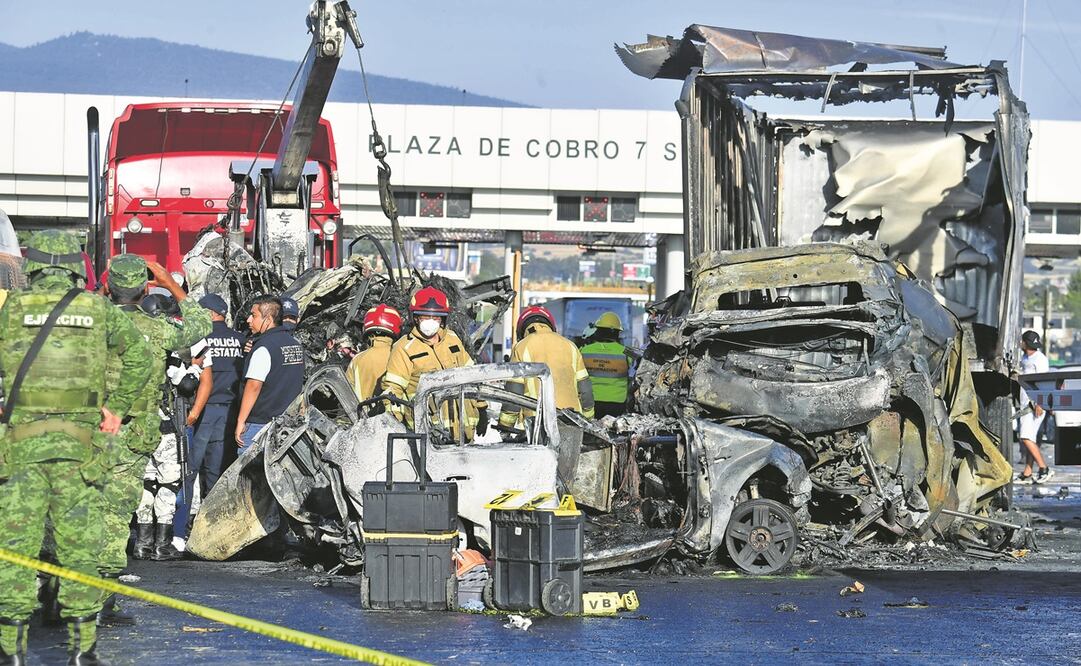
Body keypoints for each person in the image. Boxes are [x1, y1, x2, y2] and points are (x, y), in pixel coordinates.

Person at [0, 230, 151, 664]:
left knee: (16, 550)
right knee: (79, 550)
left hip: (20, 454)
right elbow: (140, 357)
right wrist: (117, 409)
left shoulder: (11, 311)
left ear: (32, 265)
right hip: (80, 452)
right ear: (75, 266)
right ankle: (83, 650)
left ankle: (11, 651)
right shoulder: (98, 311)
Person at [100, 254, 211, 620]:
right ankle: (101, 595)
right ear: (144, 287)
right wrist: (169, 281)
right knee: (117, 514)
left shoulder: (92, 323)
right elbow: (199, 324)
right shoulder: (157, 329)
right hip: (135, 434)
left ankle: (58, 587)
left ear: (107, 285)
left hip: (90, 427)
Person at [172, 293, 245, 548]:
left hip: (202, 410)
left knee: (189, 469)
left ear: (211, 313)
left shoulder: (201, 338)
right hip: (230, 412)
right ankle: (212, 526)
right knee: (216, 470)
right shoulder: (240, 339)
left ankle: (182, 524)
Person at [383, 286, 488, 440]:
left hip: (464, 434)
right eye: (426, 317)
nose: (431, 321)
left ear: (443, 319)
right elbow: (392, 390)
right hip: (428, 436)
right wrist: (394, 423)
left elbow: (472, 377)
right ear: (416, 318)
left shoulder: (452, 339)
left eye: (436, 317)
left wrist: (482, 408)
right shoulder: (403, 348)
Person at [498, 306, 594, 428]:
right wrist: (588, 421)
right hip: (572, 421)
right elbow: (585, 390)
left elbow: (514, 391)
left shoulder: (521, 347)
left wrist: (505, 425)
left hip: (537, 423)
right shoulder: (571, 346)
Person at [235, 295, 305, 452]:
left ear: (268, 319)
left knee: (249, 472)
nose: (248, 320)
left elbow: (253, 386)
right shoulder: (296, 345)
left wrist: (241, 421)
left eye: (254, 315)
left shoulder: (263, 347)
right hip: (288, 423)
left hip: (259, 424)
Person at [1017, 330, 1054, 484]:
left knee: (1025, 437)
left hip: (1035, 405)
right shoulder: (1025, 358)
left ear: (1026, 343)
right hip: (1027, 403)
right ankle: (1028, 472)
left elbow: (1044, 382)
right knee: (1030, 438)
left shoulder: (1040, 359)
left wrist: (1040, 402)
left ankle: (1044, 468)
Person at [580, 311, 634, 418]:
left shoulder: (584, 351)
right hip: (617, 403)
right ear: (617, 333)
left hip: (591, 401)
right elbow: (633, 376)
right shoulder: (626, 352)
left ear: (598, 330)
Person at [347, 305, 401, 402]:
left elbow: (345, 394)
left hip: (360, 415)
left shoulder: (357, 360)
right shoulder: (401, 355)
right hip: (393, 415)